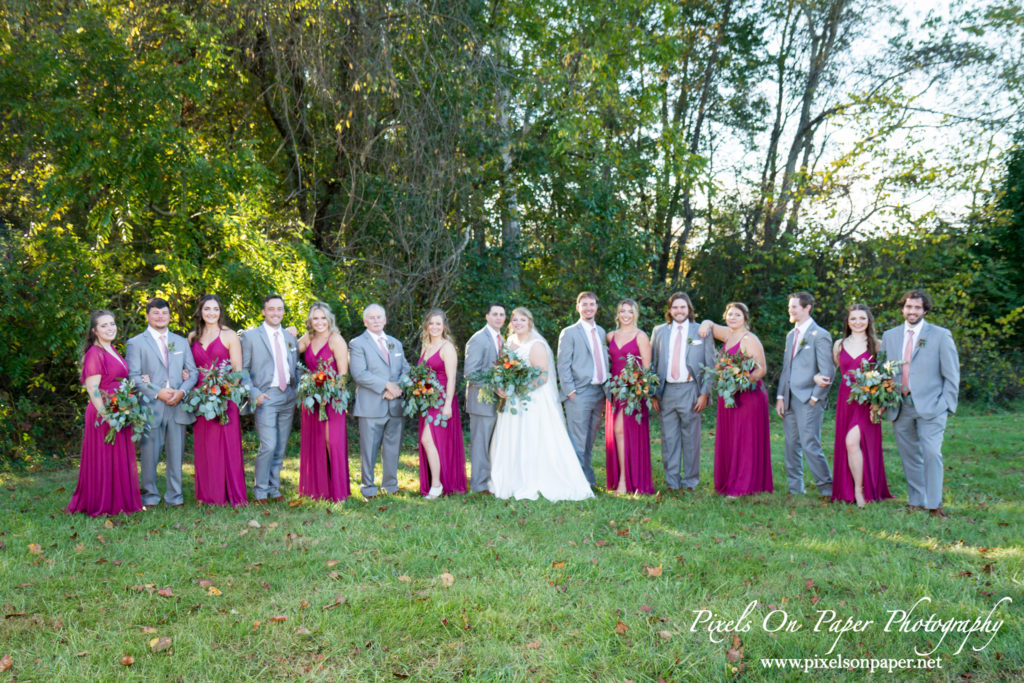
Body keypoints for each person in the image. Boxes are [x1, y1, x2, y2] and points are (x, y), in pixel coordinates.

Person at [489, 308, 594, 502]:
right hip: (513, 399)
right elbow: (501, 370)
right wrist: (501, 387)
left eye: (522, 319)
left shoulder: (536, 344)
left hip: (532, 399)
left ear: (530, 322)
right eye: (515, 320)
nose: (518, 323)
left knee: (533, 436)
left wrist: (520, 389)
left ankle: (539, 478)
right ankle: (511, 478)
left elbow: (543, 376)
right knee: (512, 436)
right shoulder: (509, 342)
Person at [881, 290, 960, 517]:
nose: (912, 311)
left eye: (917, 308)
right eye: (908, 307)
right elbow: (884, 370)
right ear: (902, 308)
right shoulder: (891, 336)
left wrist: (946, 403)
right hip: (900, 404)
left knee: (931, 452)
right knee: (909, 455)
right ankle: (916, 500)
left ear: (925, 310)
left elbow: (952, 374)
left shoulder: (940, 335)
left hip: (932, 405)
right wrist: (885, 398)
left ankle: (934, 505)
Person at [67, 311, 144, 516]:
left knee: (118, 457)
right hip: (103, 413)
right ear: (94, 330)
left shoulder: (112, 350)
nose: (110, 328)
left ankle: (120, 501)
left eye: (112, 324)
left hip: (119, 409)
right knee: (104, 458)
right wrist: (106, 415)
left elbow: (118, 380)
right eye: (104, 325)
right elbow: (93, 389)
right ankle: (103, 503)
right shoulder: (95, 353)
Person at [815, 304, 892, 507]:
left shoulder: (877, 345)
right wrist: (817, 376)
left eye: (862, 318)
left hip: (868, 401)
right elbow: (833, 371)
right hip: (846, 400)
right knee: (851, 446)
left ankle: (860, 490)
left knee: (852, 442)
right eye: (853, 319)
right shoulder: (839, 345)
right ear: (847, 322)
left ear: (869, 321)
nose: (858, 322)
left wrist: (880, 406)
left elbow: (886, 378)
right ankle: (850, 488)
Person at [126, 297, 197, 508]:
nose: (160, 317)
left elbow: (192, 372)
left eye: (164, 313)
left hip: (177, 403)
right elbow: (134, 376)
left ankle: (175, 497)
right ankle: (150, 496)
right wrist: (158, 392)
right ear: (147, 316)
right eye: (155, 313)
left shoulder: (181, 342)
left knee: (176, 455)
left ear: (169, 315)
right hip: (152, 405)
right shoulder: (136, 343)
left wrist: (182, 392)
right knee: (150, 455)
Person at [699, 303, 774, 496]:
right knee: (731, 438)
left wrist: (740, 383)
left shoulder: (749, 339)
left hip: (748, 395)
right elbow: (710, 325)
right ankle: (729, 480)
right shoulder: (728, 334)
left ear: (745, 318)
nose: (733, 318)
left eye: (737, 315)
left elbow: (761, 369)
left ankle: (744, 485)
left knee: (744, 438)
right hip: (729, 395)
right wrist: (706, 323)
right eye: (730, 314)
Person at [649, 292, 714, 492]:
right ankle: (672, 482)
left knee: (691, 439)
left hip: (690, 390)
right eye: (675, 307)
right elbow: (652, 364)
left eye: (683, 307)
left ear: (689, 309)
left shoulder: (700, 331)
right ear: (670, 310)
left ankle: (691, 482)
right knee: (669, 439)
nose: (679, 311)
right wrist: (653, 393)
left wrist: (704, 393)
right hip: (666, 391)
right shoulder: (659, 332)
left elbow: (710, 365)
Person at [188, 294, 247, 506]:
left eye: (215, 309)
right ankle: (209, 493)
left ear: (220, 312)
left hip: (224, 396)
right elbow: (190, 368)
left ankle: (230, 492)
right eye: (207, 309)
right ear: (200, 312)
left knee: (226, 444)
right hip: (202, 398)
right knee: (206, 445)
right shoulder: (192, 337)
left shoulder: (230, 336)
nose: (211, 313)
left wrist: (224, 393)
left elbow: (238, 371)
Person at [240, 295, 299, 504]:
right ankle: (260, 491)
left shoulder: (290, 337)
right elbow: (242, 369)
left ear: (284, 311)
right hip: (265, 396)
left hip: (287, 396)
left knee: (281, 446)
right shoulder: (250, 337)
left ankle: (274, 489)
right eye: (271, 309)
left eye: (280, 309)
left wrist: (297, 390)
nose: (276, 313)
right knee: (269, 445)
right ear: (263, 311)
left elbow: (294, 367)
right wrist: (254, 393)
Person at [775, 291, 834, 498]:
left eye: (794, 307)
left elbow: (828, 371)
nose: (790, 310)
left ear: (807, 308)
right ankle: (795, 489)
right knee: (791, 445)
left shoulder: (820, 335)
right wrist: (781, 397)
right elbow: (786, 369)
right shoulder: (791, 335)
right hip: (789, 399)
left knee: (810, 444)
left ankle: (827, 489)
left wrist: (815, 397)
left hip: (809, 399)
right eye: (789, 307)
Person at [349, 303, 409, 498]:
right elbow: (359, 374)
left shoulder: (395, 343)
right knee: (369, 449)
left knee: (393, 447)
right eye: (371, 318)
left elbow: (406, 370)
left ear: (385, 319)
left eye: (379, 317)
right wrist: (386, 385)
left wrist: (396, 388)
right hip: (370, 405)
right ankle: (368, 487)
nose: (376, 321)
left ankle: (390, 485)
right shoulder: (357, 344)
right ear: (365, 321)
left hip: (395, 404)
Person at [296, 302, 350, 502]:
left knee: (332, 441)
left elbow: (343, 375)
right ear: (310, 321)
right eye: (315, 318)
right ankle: (317, 490)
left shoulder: (336, 339)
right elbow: (286, 347)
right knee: (315, 442)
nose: (319, 322)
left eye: (323, 318)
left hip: (332, 398)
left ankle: (338, 491)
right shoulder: (308, 338)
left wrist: (331, 391)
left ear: (329, 319)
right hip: (312, 399)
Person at [556, 291, 608, 487]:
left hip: (599, 393)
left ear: (596, 307)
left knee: (589, 441)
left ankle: (588, 480)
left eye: (592, 304)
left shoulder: (602, 332)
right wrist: (570, 391)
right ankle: (576, 485)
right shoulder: (569, 332)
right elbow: (563, 364)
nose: (588, 308)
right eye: (584, 304)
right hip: (579, 393)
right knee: (577, 441)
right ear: (578, 308)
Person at [604, 299, 654, 495]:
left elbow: (647, 369)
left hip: (633, 392)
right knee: (617, 433)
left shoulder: (641, 336)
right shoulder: (610, 336)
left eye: (630, 311)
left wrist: (637, 387)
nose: (626, 315)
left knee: (621, 431)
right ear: (617, 314)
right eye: (622, 311)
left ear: (635, 314)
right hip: (615, 391)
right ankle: (620, 479)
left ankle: (626, 481)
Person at [416, 309, 467, 499]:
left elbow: (452, 379)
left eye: (438, 323)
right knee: (433, 443)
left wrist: (447, 405)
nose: (435, 327)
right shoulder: (426, 346)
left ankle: (437, 485)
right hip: (427, 401)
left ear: (444, 326)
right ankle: (436, 482)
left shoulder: (447, 348)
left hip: (442, 400)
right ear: (426, 326)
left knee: (428, 440)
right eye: (431, 323)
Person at [464, 303, 506, 494]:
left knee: (493, 444)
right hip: (481, 402)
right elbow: (471, 373)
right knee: (480, 445)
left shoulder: (501, 339)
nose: (498, 318)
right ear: (487, 316)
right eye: (495, 314)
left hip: (497, 402)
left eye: (502, 314)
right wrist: (494, 387)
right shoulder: (479, 339)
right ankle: (479, 485)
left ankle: (489, 481)